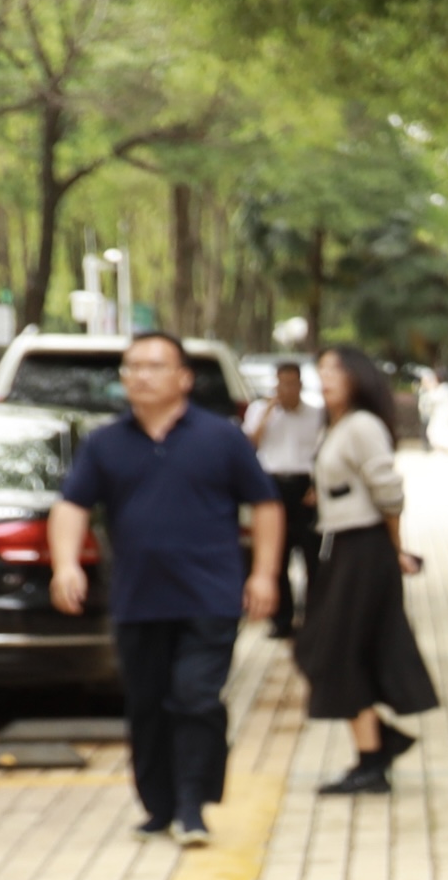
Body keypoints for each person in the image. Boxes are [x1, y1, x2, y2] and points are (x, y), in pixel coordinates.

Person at [46, 330, 283, 848]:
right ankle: (159, 807)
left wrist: (264, 574)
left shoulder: (221, 438)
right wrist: (66, 565)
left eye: (155, 366)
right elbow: (71, 505)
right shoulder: (105, 443)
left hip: (210, 597)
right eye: (133, 367)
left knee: (195, 697)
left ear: (184, 378)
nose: (142, 376)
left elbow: (265, 505)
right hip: (138, 599)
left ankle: (193, 804)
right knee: (148, 704)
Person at [298, 345, 440, 798]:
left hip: (365, 548)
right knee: (321, 650)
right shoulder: (338, 425)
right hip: (341, 547)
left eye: (335, 370)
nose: (325, 378)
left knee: (336, 652)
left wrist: (395, 550)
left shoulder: (362, 425)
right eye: (321, 370)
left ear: (357, 376)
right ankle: (379, 746)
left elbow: (389, 493)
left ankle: (371, 759)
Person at [242, 356, 322, 637]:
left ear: (300, 385)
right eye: (282, 383)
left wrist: (318, 485)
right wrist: (268, 412)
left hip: (305, 485)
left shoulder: (316, 414)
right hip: (272, 485)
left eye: (292, 383)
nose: (287, 389)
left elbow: (324, 451)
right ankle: (281, 620)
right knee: (277, 553)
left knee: (312, 555)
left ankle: (314, 620)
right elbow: (248, 445)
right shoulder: (259, 410)